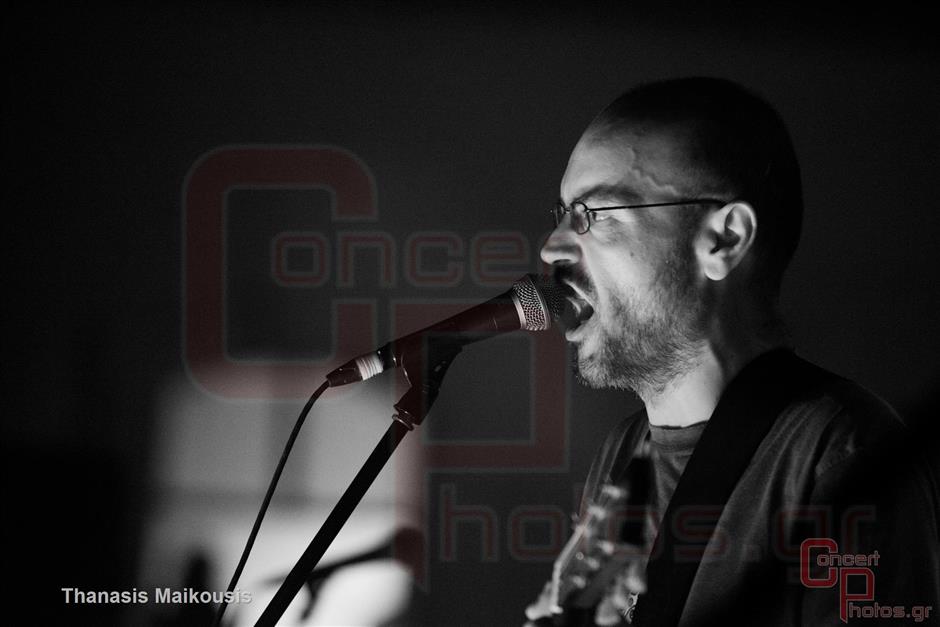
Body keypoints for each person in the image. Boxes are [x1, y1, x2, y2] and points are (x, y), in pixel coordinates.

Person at [525, 77, 939, 626]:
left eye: (593, 213)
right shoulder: (622, 452)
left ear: (724, 240)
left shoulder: (842, 452)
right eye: (561, 214)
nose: (552, 248)